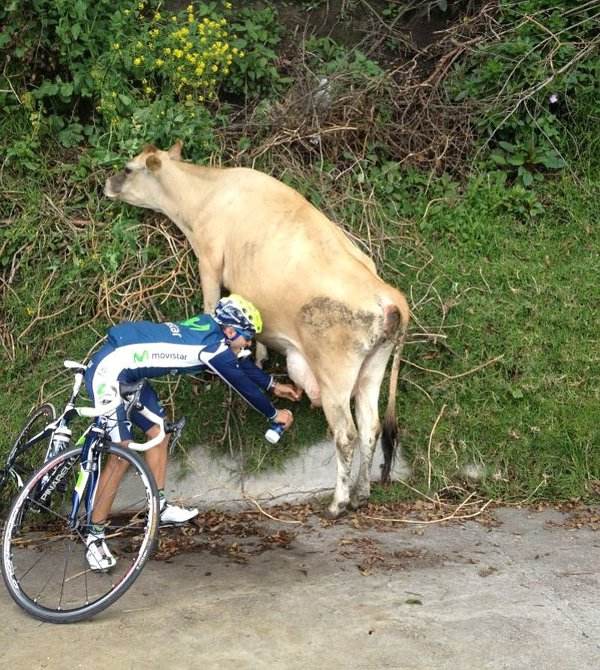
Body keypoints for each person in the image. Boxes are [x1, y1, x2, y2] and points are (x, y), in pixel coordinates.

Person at [83, 294, 301, 571]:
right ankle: (94, 536)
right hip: (110, 371)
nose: (249, 344)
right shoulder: (211, 348)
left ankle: (158, 506)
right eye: (247, 337)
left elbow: (238, 362)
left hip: (131, 374)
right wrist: (273, 413)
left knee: (159, 430)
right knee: (121, 452)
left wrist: (272, 385)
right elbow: (240, 384)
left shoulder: (212, 326)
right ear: (231, 331)